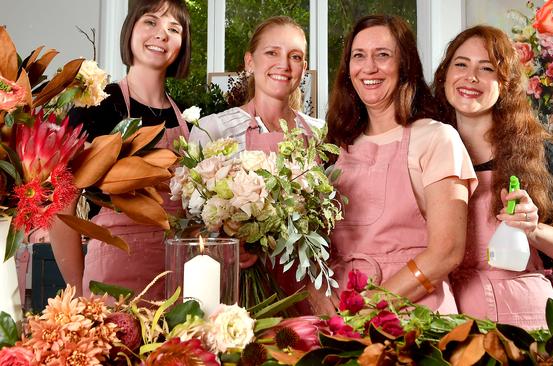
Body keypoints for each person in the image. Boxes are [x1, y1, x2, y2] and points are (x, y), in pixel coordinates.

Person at [432, 25, 553, 329]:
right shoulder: (422, 153)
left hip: (523, 317)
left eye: (487, 68)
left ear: (505, 83)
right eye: (461, 64)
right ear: (444, 76)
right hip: (444, 318)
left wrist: (533, 229)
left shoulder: (540, 154)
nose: (471, 77)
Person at [326, 15, 477, 313]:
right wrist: (329, 308)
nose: (369, 67)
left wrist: (368, 307)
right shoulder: (336, 147)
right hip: (339, 311)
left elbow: (446, 251)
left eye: (383, 55)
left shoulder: (436, 138)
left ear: (405, 65)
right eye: (359, 56)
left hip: (411, 313)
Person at [49, 0, 191, 300]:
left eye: (173, 28)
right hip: (114, 274)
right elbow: (61, 208)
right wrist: (79, 291)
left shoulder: (187, 120)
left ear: (182, 43)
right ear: (130, 31)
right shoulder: (96, 107)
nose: (161, 34)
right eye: (150, 22)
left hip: (178, 275)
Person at [189, 16, 324, 310]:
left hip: (308, 290)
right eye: (272, 52)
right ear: (250, 62)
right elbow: (189, 226)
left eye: (295, 56)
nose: (284, 64)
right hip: (236, 293)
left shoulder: (319, 133)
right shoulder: (213, 130)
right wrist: (227, 243)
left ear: (303, 69)